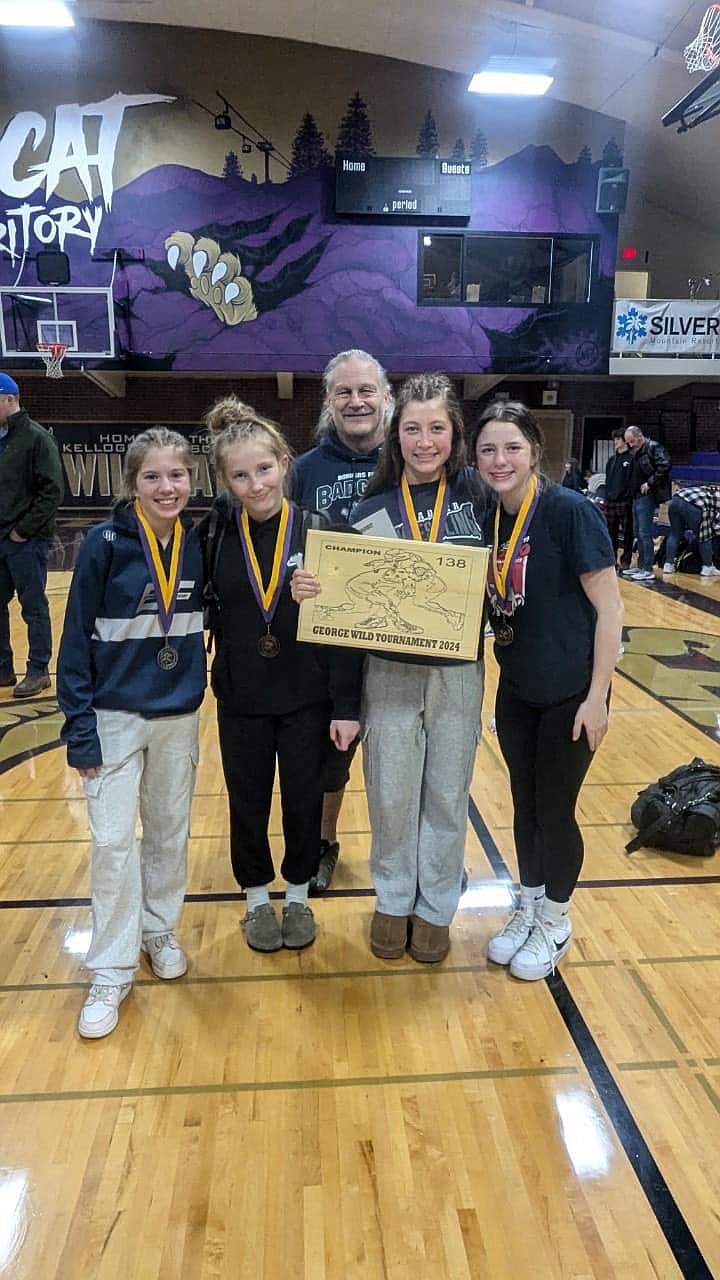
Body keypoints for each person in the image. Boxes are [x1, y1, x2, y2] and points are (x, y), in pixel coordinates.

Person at [299, 372, 486, 965]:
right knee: (390, 793)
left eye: (437, 428)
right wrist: (316, 590)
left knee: (446, 793)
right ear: (394, 435)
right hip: (388, 672)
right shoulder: (369, 509)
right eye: (412, 429)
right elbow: (348, 611)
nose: (424, 441)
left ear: (454, 434)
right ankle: (394, 897)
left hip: (458, 673)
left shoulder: (482, 498)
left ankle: (434, 909)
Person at [57, 428, 207, 1038]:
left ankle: (157, 929)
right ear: (132, 484)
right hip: (114, 719)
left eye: (176, 475)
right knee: (114, 844)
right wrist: (80, 731)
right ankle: (112, 966)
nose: (166, 487)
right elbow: (72, 644)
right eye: (153, 477)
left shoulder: (200, 542)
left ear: (191, 480)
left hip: (179, 718)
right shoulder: (105, 544)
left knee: (169, 833)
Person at [200, 397, 362, 954]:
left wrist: (346, 706)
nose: (255, 484)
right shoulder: (215, 533)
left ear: (286, 463)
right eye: (240, 475)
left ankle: (296, 895)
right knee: (247, 801)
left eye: (264, 469)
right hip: (241, 694)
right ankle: (254, 901)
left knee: (302, 800)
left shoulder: (322, 532)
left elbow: (346, 630)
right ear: (224, 480)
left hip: (306, 697)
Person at [473, 400, 623, 981]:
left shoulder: (569, 512)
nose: (500, 459)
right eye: (488, 449)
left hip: (570, 695)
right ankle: (529, 904)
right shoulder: (489, 516)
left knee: (555, 812)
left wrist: (597, 698)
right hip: (518, 692)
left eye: (512, 447)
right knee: (524, 805)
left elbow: (610, 610)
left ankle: (557, 920)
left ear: (535, 450)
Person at [290, 349, 393, 893]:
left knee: (405, 756)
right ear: (329, 402)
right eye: (344, 393)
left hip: (400, 635)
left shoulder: (410, 461)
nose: (356, 402)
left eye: (366, 391)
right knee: (329, 760)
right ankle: (325, 843)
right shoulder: (303, 471)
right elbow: (279, 541)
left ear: (385, 397)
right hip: (328, 644)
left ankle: (410, 855)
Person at [0, 372, 64, 698]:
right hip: (0, 539)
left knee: (34, 606)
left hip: (24, 541)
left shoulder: (36, 438)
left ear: (9, 399)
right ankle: (3, 669)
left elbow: (52, 491)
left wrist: (23, 531)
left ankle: (39, 670)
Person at [622, 424, 671, 582]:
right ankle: (640, 564)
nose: (630, 445)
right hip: (635, 495)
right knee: (637, 532)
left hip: (647, 495)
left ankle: (647, 568)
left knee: (644, 532)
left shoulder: (654, 447)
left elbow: (665, 466)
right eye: (628, 442)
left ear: (639, 436)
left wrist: (650, 483)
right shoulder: (635, 451)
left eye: (631, 441)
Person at [663, 484, 720, 578]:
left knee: (674, 534)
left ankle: (668, 565)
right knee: (704, 536)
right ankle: (708, 567)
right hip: (695, 504)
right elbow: (716, 528)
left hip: (676, 499)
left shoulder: (713, 489)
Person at [604, 427, 634, 572]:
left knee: (627, 532)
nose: (615, 442)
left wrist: (627, 495)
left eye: (618, 439)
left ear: (625, 441)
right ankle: (611, 559)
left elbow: (631, 480)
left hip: (625, 501)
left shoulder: (631, 458)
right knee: (610, 532)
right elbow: (608, 479)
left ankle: (626, 560)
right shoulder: (611, 460)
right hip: (610, 501)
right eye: (614, 439)